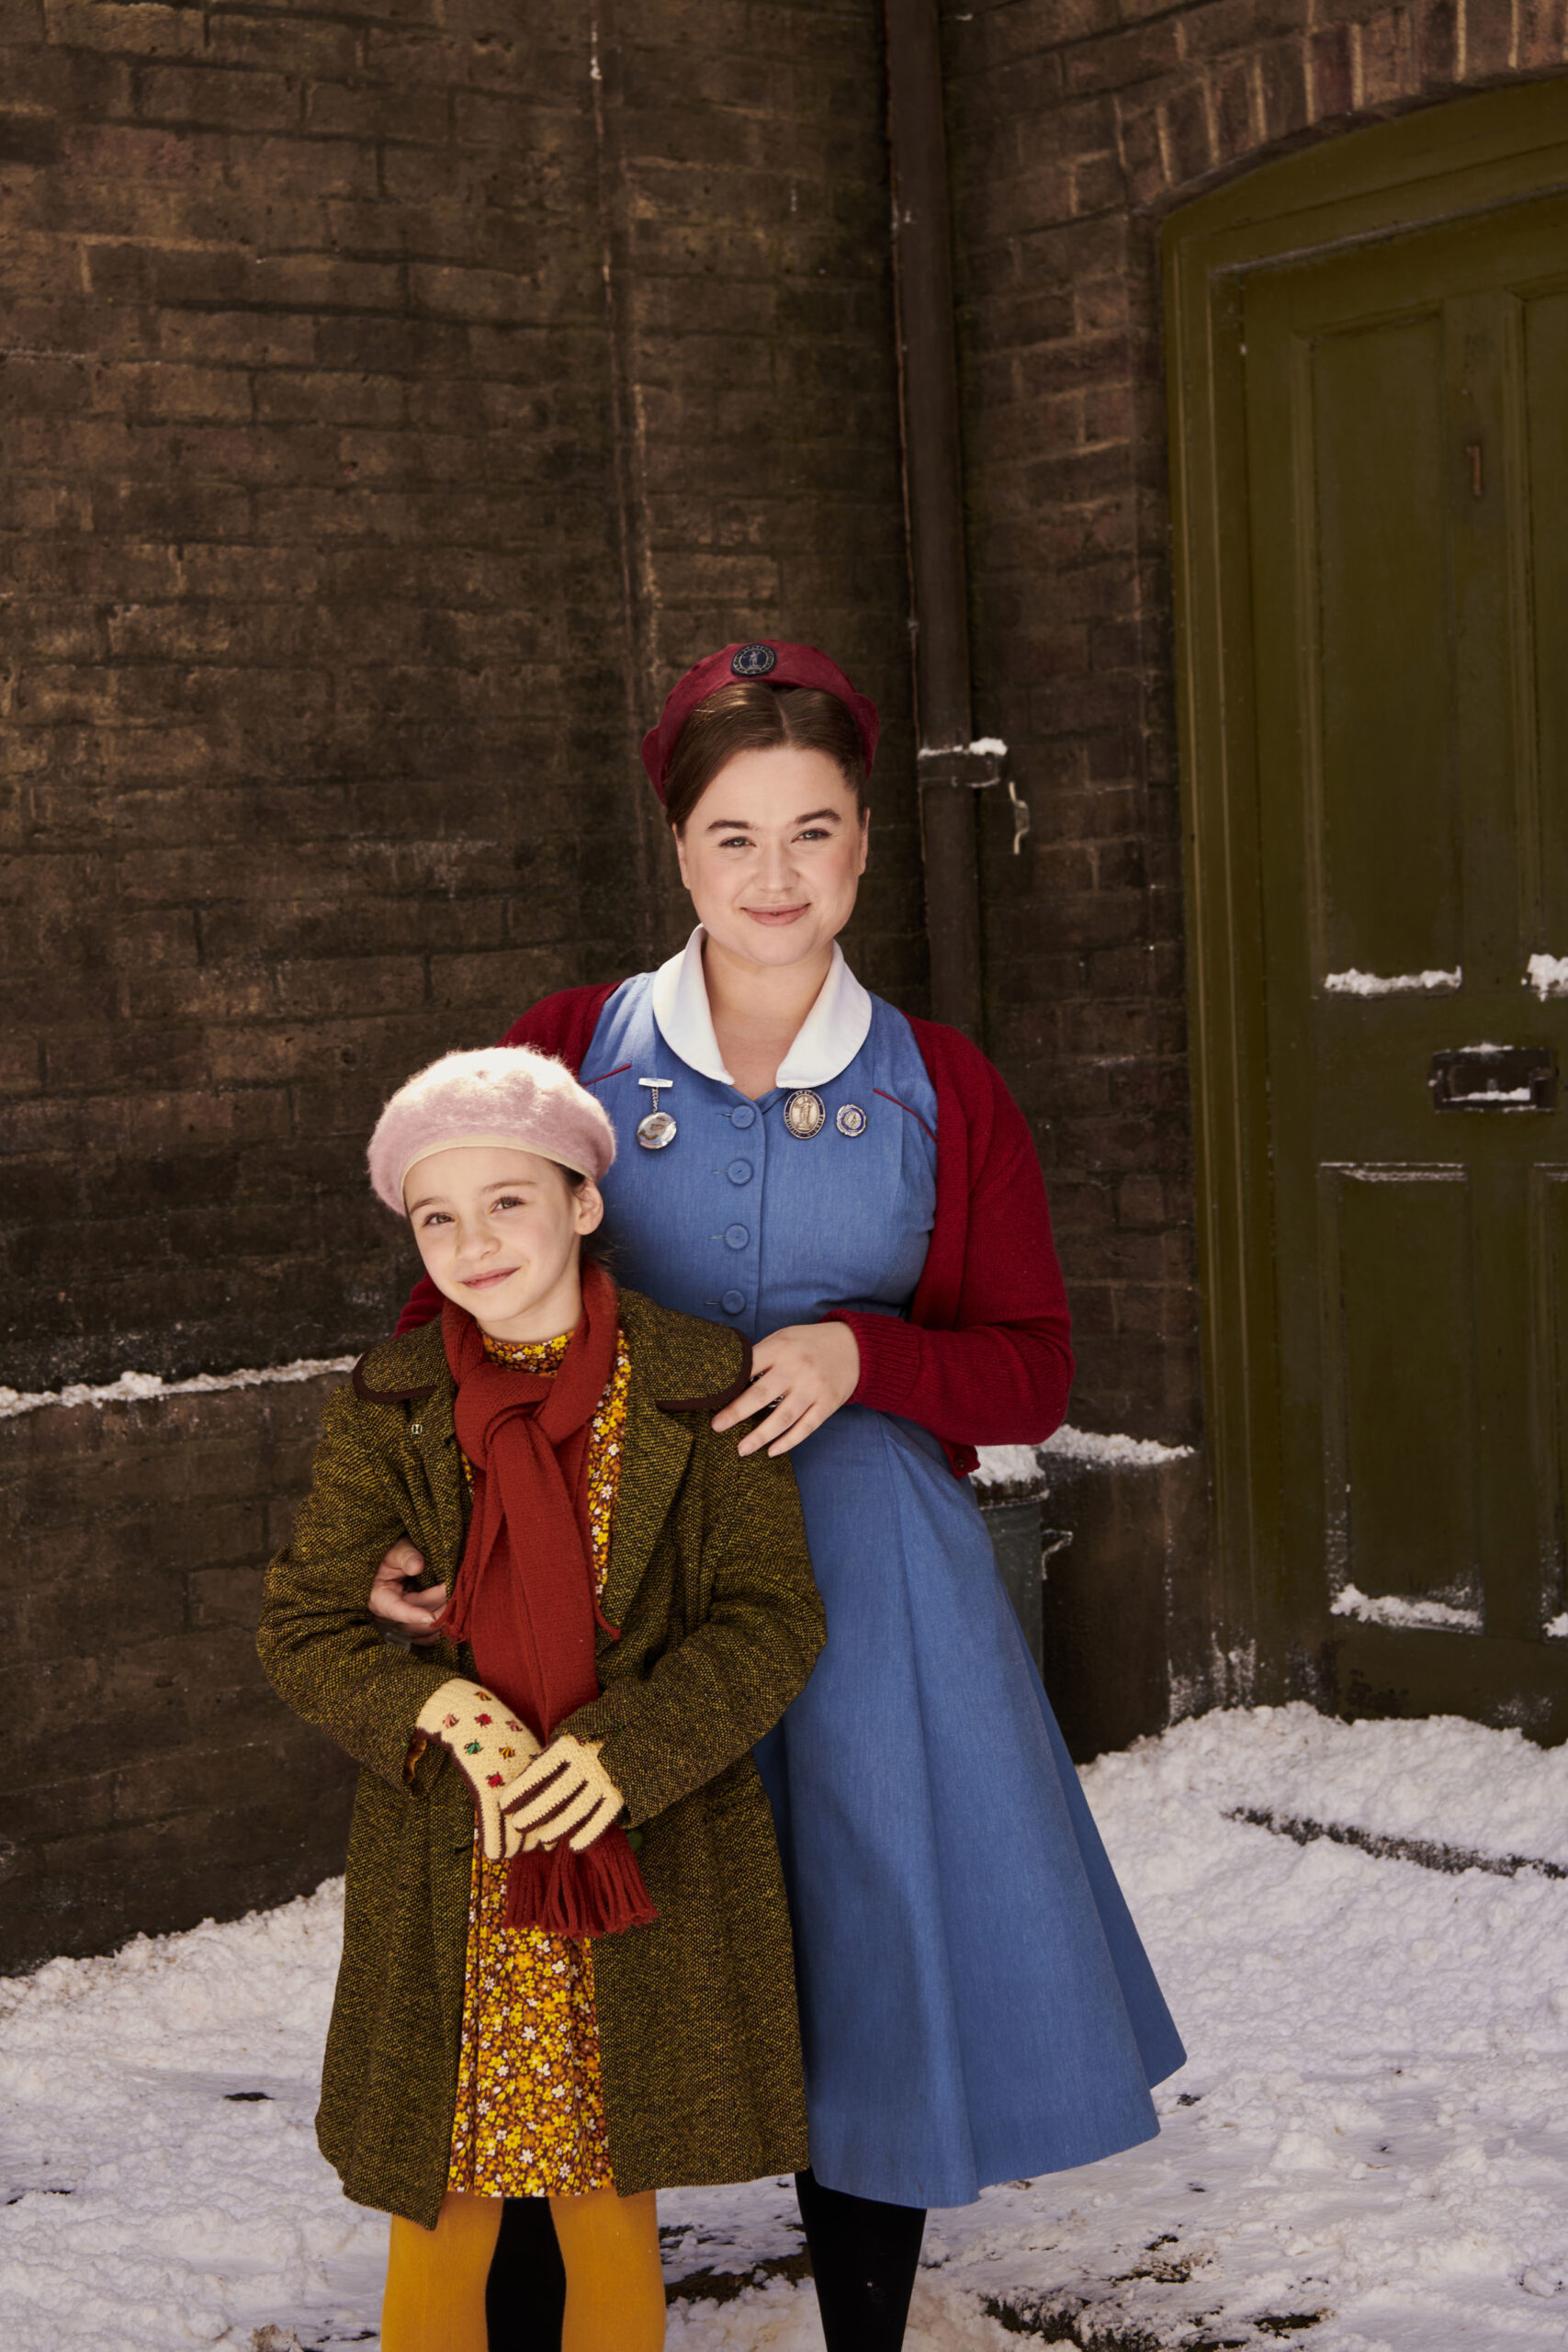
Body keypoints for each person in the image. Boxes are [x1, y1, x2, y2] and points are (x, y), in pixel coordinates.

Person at [371, 640, 1187, 2352]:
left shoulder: (943, 1086)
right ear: (680, 851)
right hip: (593, 1580)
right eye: (735, 837)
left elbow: (1032, 1370)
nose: (775, 876)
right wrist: (415, 1527)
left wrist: (865, 1357)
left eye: (813, 833)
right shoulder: (565, 1051)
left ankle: (864, 2332)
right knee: (562, 1940)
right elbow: (442, 1304)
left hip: (871, 1579)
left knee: (865, 1952)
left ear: (865, 849)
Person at [258, 1042, 826, 2352]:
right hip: (457, 1871)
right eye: (436, 1217)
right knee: (440, 2209)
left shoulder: (697, 1381)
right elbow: (304, 1625)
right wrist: (440, 1715)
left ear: (581, 1202)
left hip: (632, 1853)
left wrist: (627, 1750)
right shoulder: (393, 1406)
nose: (473, 1242)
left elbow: (772, 1616)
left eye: (507, 1201)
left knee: (608, 2203)